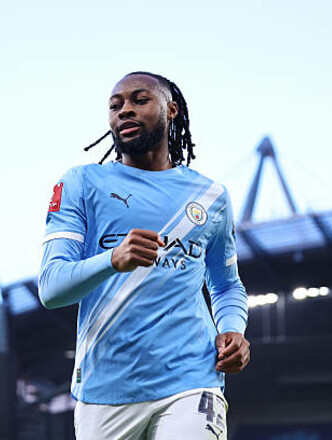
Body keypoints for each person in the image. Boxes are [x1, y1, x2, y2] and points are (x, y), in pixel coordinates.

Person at [38, 71, 250, 440]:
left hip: (192, 378)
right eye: (115, 105)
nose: (125, 111)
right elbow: (51, 288)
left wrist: (233, 330)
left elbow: (227, 286)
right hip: (105, 387)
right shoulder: (80, 184)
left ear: (172, 109)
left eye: (140, 100)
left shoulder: (211, 197)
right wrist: (112, 259)